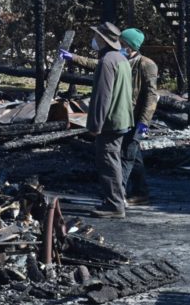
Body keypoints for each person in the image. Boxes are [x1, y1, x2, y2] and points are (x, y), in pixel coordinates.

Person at [63, 28, 158, 204]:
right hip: (124, 114)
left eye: (123, 43)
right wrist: (73, 58)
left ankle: (118, 196)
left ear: (130, 46)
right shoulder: (121, 59)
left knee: (126, 156)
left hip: (135, 118)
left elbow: (152, 95)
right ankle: (140, 191)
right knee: (133, 155)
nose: (119, 46)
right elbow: (97, 63)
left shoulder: (146, 64)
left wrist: (144, 122)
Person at [75, 22, 133, 218]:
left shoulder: (107, 61)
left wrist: (94, 125)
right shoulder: (121, 59)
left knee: (108, 162)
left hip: (110, 121)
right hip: (122, 118)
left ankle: (114, 204)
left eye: (97, 36)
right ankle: (118, 199)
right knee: (114, 159)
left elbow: (102, 96)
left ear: (102, 39)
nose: (95, 39)